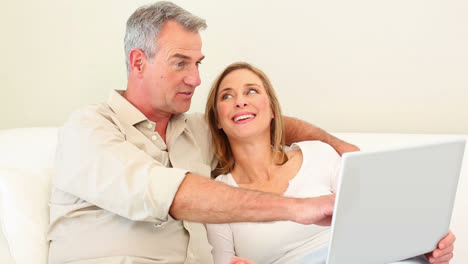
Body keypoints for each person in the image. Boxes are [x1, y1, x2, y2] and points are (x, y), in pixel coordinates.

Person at [47, 2, 359, 264]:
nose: (196, 79)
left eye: (197, 64)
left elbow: (259, 120)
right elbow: (167, 193)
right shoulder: (89, 128)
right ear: (139, 63)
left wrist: (339, 145)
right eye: (181, 64)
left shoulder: (195, 130)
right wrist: (298, 208)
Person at [204, 62, 455, 264]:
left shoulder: (319, 155)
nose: (240, 101)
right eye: (227, 96)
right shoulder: (218, 196)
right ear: (217, 120)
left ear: (272, 110)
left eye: (252, 91)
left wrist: (428, 248)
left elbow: (380, 222)